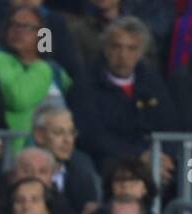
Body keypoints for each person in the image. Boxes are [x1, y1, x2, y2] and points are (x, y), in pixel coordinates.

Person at [68, 15, 178, 181]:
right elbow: (91, 136)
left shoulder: (152, 80)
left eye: (131, 48)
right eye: (116, 47)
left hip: (155, 157)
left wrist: (163, 155)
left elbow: (171, 125)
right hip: (109, 159)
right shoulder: (86, 82)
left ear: (141, 53)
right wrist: (139, 156)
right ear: (105, 48)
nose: (123, 55)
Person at [0, 4, 73, 137]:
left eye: (26, 27)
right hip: (17, 146)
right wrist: (42, 67)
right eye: (13, 25)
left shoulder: (55, 69)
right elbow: (18, 97)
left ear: (43, 35)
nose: (18, 31)